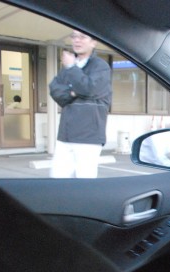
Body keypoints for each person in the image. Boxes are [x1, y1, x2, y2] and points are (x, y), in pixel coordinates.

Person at [49, 30, 112, 178]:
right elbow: (55, 90)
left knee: (85, 181)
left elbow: (89, 88)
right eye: (74, 36)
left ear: (93, 42)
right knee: (57, 180)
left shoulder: (100, 67)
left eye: (82, 37)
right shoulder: (67, 68)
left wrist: (72, 69)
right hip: (65, 135)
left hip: (89, 135)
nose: (77, 40)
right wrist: (73, 92)